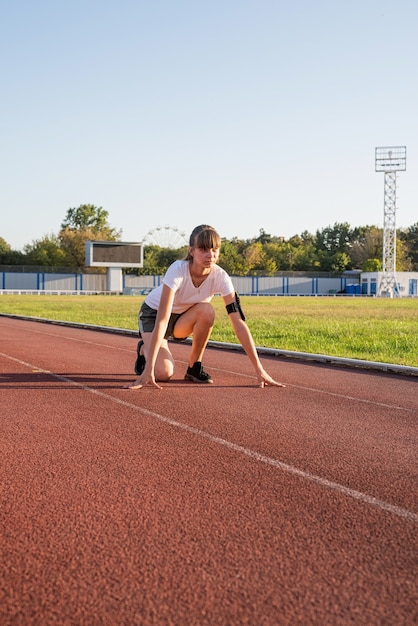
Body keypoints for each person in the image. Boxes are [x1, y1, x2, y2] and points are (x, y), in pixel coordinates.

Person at [126, 224, 285, 390]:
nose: (210, 255)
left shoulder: (221, 277)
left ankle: (194, 367)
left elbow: (239, 324)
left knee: (207, 310)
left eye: (214, 249)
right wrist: (149, 369)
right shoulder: (177, 270)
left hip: (183, 318)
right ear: (191, 251)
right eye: (203, 249)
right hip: (154, 315)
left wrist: (259, 370)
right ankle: (145, 348)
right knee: (163, 374)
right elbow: (162, 320)